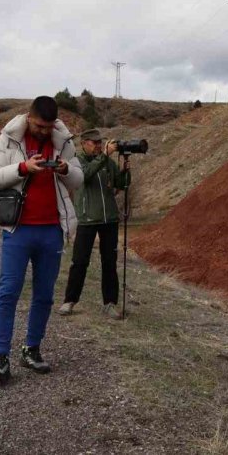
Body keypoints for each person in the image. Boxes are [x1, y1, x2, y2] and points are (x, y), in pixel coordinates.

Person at [0, 95, 83, 384]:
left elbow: (78, 179)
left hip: (52, 229)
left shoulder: (62, 140)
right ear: (29, 118)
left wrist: (65, 170)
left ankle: (32, 349)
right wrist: (23, 168)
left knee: (44, 295)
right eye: (40, 125)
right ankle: (0, 356)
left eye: (49, 126)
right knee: (8, 292)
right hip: (17, 229)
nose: (44, 131)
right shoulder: (10, 138)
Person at [58, 129, 130, 318]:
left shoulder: (107, 163)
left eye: (100, 142)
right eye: (94, 142)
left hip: (109, 220)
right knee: (80, 262)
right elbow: (86, 175)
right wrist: (105, 155)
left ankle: (110, 303)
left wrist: (125, 172)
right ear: (84, 143)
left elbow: (120, 185)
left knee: (109, 263)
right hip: (87, 218)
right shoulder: (77, 162)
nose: (98, 145)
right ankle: (69, 301)